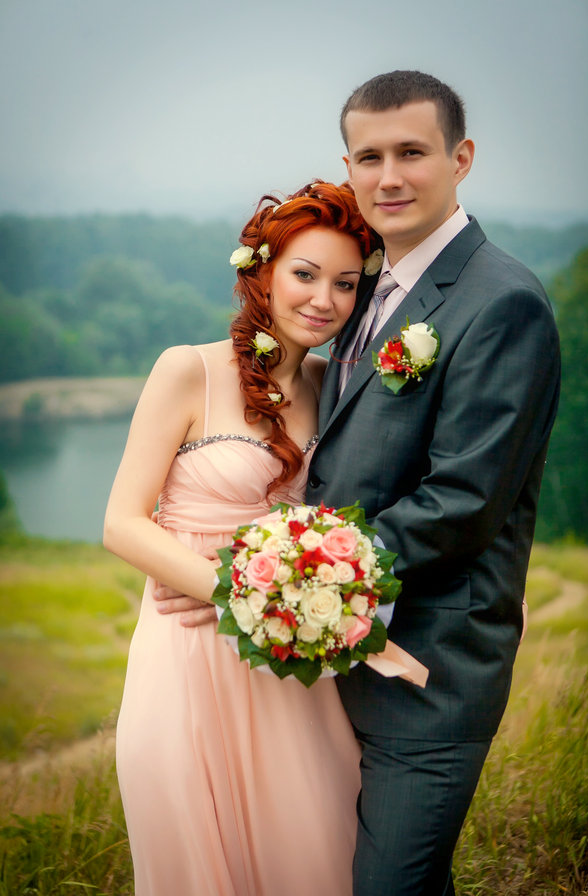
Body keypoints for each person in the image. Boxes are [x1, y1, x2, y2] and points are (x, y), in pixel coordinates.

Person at [301, 71, 561, 894]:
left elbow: (463, 502)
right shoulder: (365, 289)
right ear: (348, 166)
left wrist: (297, 575)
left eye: (411, 152)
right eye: (368, 156)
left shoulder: (501, 301)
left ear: (461, 158)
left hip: (428, 672)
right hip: (340, 661)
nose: (388, 177)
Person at [103, 180, 377, 896]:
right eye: (305, 274)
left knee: (317, 853)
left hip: (291, 665)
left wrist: (291, 600)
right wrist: (231, 591)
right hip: (187, 656)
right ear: (263, 271)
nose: (324, 300)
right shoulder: (187, 370)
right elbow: (122, 522)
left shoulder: (335, 385)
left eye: (345, 284)